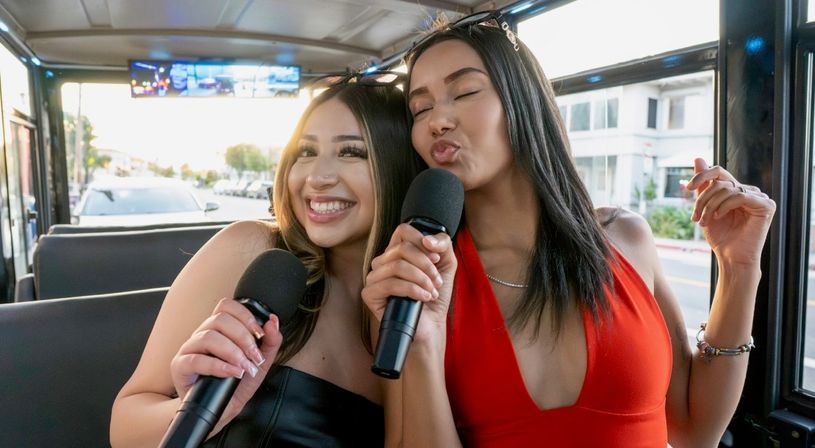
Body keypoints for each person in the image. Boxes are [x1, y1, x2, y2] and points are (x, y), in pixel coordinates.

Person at [361, 11, 776, 448]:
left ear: (524, 101)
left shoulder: (626, 238)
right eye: (420, 108)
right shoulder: (412, 285)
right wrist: (423, 345)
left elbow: (695, 430)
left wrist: (739, 269)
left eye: (463, 91)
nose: (436, 121)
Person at [110, 75, 423, 447]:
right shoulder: (249, 250)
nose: (316, 177)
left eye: (350, 152)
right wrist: (198, 409)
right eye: (305, 152)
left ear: (398, 168)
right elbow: (125, 426)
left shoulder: (419, 308)